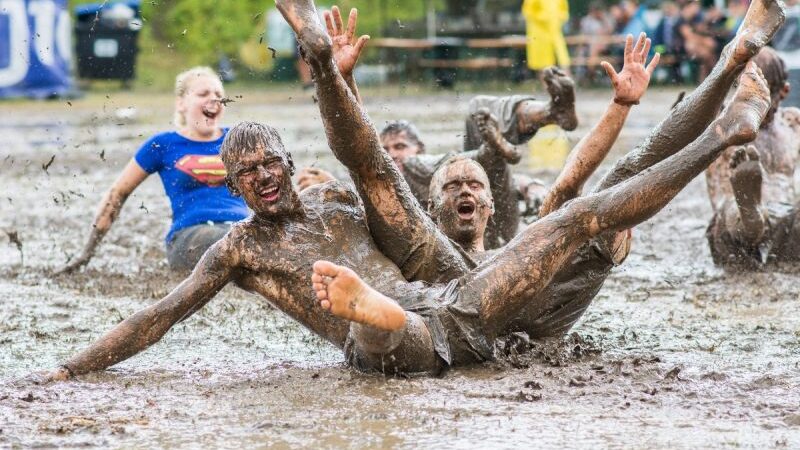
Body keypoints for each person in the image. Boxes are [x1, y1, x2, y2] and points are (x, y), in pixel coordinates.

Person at [35, 0, 779, 381]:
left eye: (271, 165)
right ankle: (371, 310)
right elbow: (158, 317)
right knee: (381, 322)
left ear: (288, 166)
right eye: (247, 173)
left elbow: (371, 167)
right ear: (233, 185)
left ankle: (728, 106)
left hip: (463, 298)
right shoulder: (238, 248)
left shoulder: (341, 198)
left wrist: (332, 74)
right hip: (405, 337)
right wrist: (70, 368)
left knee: (573, 213)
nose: (262, 178)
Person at [57, 67, 249, 273]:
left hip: (243, 230)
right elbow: (117, 193)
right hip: (190, 237)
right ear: (181, 103)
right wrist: (86, 254)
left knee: (257, 241)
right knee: (237, 242)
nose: (214, 99)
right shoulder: (162, 145)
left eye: (219, 95)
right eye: (203, 94)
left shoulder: (238, 140)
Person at [705, 47, 800, 268]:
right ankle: (750, 213)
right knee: (731, 214)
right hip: (732, 222)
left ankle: (752, 214)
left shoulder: (794, 122)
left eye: (762, 98)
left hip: (786, 218)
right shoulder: (720, 125)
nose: (754, 108)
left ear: (783, 92)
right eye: (747, 97)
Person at [522, 0, 571, 72]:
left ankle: (565, 81)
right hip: (539, 34)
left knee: (563, 60)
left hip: (555, 32)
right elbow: (528, 12)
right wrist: (541, 17)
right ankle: (547, 82)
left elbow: (564, 11)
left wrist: (560, 16)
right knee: (542, 63)